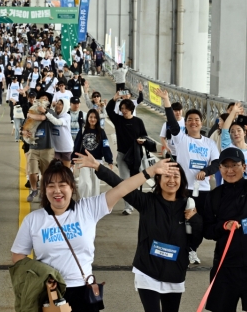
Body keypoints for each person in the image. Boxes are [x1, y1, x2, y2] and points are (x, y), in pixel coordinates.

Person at [11, 155, 178, 312]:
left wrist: (151, 171)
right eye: (51, 186)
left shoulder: (88, 208)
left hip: (83, 290)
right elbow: (18, 256)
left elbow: (122, 188)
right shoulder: (33, 220)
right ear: (44, 189)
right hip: (50, 292)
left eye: (62, 185)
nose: (57, 191)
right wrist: (43, 275)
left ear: (71, 187)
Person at [93, 156, 202, 312]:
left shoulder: (188, 206)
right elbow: (121, 185)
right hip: (147, 272)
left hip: (175, 273)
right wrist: (98, 167)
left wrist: (196, 220)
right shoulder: (147, 201)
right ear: (158, 179)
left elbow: (194, 242)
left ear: (182, 180)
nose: (172, 180)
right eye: (167, 176)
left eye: (176, 176)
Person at [157, 89, 219, 265]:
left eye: (197, 120)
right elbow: (171, 121)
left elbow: (216, 163)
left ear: (202, 123)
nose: (193, 122)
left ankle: (191, 250)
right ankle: (178, 249)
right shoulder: (181, 138)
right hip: (183, 189)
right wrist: (166, 100)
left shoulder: (209, 143)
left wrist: (206, 171)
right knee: (179, 222)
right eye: (190, 120)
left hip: (203, 191)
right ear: (186, 123)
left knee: (200, 224)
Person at [203, 147, 247, 312]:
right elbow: (207, 231)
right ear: (219, 169)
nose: (230, 170)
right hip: (224, 266)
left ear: (244, 166)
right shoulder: (214, 195)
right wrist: (223, 226)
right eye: (225, 166)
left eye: (234, 165)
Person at [106, 92, 148, 215]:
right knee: (125, 181)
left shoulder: (138, 121)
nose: (124, 111)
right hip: (123, 155)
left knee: (136, 180)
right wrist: (114, 98)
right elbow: (109, 110)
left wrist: (142, 140)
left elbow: (144, 135)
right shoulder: (118, 120)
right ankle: (128, 207)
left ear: (131, 109)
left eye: (126, 108)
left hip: (136, 155)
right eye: (122, 108)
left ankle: (137, 201)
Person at [23, 93, 59, 202]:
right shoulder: (33, 110)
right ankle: (34, 189)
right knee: (32, 171)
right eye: (41, 98)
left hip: (47, 148)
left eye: (46, 99)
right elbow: (25, 126)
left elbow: (42, 117)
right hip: (34, 147)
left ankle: (43, 192)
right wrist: (23, 131)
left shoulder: (50, 113)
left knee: (46, 173)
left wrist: (30, 115)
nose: (43, 100)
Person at [73, 109, 113, 199]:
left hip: (97, 161)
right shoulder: (83, 130)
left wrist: (109, 160)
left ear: (97, 119)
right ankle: (84, 202)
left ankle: (94, 203)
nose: (92, 119)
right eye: (91, 117)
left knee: (95, 184)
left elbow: (105, 146)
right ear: (87, 118)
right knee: (86, 183)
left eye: (95, 117)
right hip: (84, 160)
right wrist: (73, 159)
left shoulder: (101, 132)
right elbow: (77, 145)